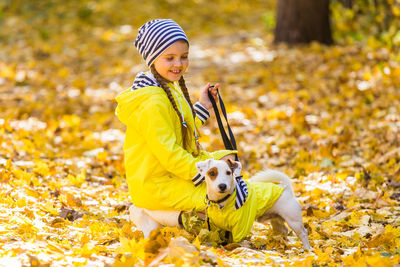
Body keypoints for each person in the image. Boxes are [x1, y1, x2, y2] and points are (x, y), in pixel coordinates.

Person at [115, 19, 236, 236]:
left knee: (228, 159)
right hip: (155, 183)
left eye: (184, 56)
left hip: (171, 174)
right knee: (214, 196)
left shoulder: (167, 88)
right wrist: (200, 174)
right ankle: (157, 215)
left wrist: (203, 105)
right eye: (169, 58)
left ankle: (176, 217)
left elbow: (181, 129)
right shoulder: (153, 101)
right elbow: (169, 153)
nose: (178, 64)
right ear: (153, 59)